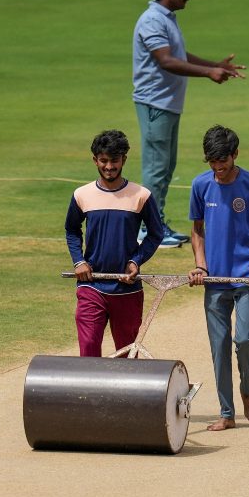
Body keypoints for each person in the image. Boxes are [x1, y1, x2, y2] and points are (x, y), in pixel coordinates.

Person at [133, 0, 246, 249]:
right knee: (156, 167)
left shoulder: (166, 19)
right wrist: (208, 74)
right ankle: (148, 229)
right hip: (154, 102)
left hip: (166, 102)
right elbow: (166, 61)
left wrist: (214, 66)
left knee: (166, 165)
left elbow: (178, 56)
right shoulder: (152, 20)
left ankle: (155, 224)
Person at [187, 125, 249, 431]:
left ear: (235, 155)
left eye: (223, 163)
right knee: (219, 346)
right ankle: (227, 413)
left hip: (247, 279)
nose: (218, 169)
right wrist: (200, 266)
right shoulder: (200, 185)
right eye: (212, 163)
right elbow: (197, 231)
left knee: (244, 339)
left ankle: (246, 389)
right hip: (214, 283)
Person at [66, 129, 166, 357]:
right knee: (89, 347)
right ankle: (89, 394)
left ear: (124, 160)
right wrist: (78, 261)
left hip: (127, 290)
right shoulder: (82, 194)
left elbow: (155, 233)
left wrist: (136, 261)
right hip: (92, 285)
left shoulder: (141, 195)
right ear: (95, 160)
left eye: (114, 160)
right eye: (103, 160)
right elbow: (72, 230)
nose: (109, 166)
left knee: (126, 354)